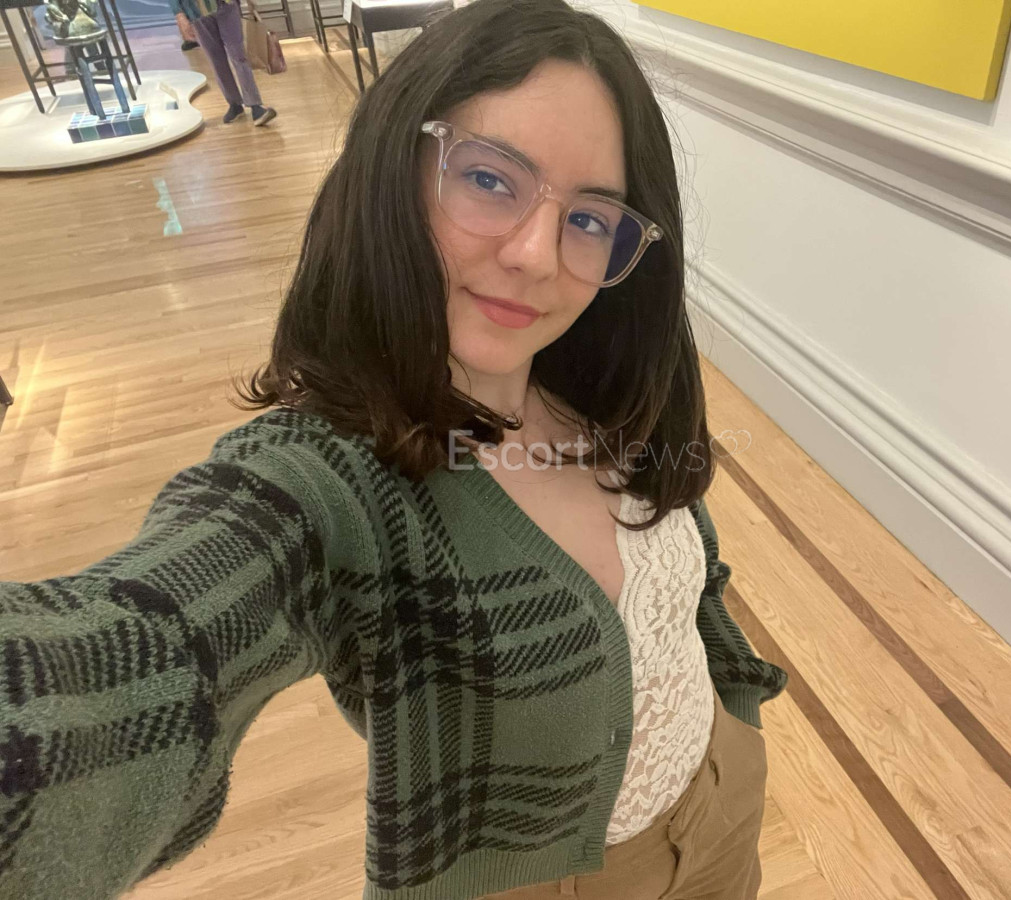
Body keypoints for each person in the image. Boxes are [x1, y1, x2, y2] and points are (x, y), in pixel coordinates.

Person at [0, 1, 787, 898]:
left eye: (590, 218)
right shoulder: (332, 481)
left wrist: (736, 702)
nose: (537, 254)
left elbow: (689, 577)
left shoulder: (601, 388)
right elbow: (152, 643)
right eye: (489, 179)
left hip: (723, 809)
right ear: (394, 170)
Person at [169, 0, 276, 125]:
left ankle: (255, 105)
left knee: (238, 55)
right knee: (216, 60)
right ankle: (234, 103)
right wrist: (179, 14)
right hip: (197, 11)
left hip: (226, 5)